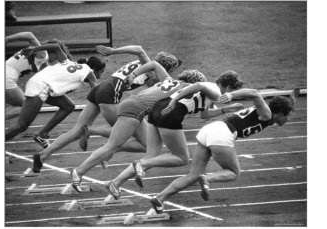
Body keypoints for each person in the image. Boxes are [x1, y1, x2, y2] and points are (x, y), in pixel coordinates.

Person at [31, 45, 182, 173]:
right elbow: (139, 49)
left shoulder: (147, 67)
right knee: (142, 141)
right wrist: (112, 51)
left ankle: (42, 155)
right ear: (165, 67)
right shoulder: (150, 66)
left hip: (100, 88)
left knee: (77, 129)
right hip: (109, 93)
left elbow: (150, 83)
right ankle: (93, 135)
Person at [149, 88, 299, 213]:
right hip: (223, 133)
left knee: (193, 175)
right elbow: (254, 92)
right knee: (233, 172)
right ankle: (208, 179)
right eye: (289, 115)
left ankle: (160, 198)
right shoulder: (266, 114)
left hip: (210, 129)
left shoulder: (268, 114)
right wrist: (231, 95)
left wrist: (290, 102)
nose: (289, 119)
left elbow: (276, 110)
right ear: (280, 113)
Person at [104, 70, 245, 199]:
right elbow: (197, 86)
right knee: (181, 158)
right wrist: (174, 101)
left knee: (152, 156)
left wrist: (226, 110)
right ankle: (141, 164)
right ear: (228, 88)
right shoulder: (216, 92)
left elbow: (205, 114)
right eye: (232, 92)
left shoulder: (211, 90)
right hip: (171, 111)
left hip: (158, 108)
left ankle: (115, 183)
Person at [70, 61, 207, 192]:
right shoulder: (187, 88)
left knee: (148, 148)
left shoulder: (169, 79)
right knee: (111, 146)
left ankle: (115, 183)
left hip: (133, 105)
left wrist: (133, 75)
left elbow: (154, 64)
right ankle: (79, 171)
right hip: (135, 109)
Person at [5, 41, 106, 146]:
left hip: (38, 83)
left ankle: (42, 134)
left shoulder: (69, 62)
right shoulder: (90, 73)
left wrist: (34, 48)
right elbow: (96, 93)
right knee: (22, 125)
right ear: (94, 69)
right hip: (40, 87)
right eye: (101, 72)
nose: (100, 76)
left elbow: (56, 46)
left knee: (68, 106)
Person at [5, 32, 49, 120]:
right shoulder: (43, 53)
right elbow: (29, 35)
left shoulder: (40, 55)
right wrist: (7, 39)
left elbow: (47, 72)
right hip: (7, 77)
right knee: (27, 107)